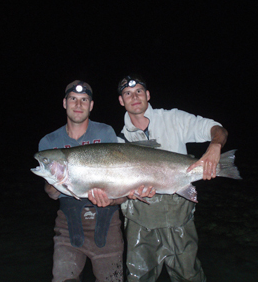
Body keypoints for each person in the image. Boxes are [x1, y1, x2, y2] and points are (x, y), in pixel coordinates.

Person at [116, 75, 229, 282]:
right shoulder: (119, 141)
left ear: (148, 95)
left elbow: (218, 129)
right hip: (140, 221)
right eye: (128, 93)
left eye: (139, 91)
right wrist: (128, 193)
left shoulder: (174, 119)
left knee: (189, 276)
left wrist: (215, 146)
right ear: (121, 101)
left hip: (179, 216)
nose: (135, 96)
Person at [38, 80, 126, 282]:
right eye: (73, 99)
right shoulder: (49, 143)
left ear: (91, 105)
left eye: (84, 100)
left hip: (107, 223)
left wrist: (113, 200)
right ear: (64, 103)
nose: (78, 105)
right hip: (67, 223)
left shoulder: (106, 133)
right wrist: (52, 184)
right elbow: (51, 193)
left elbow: (120, 179)